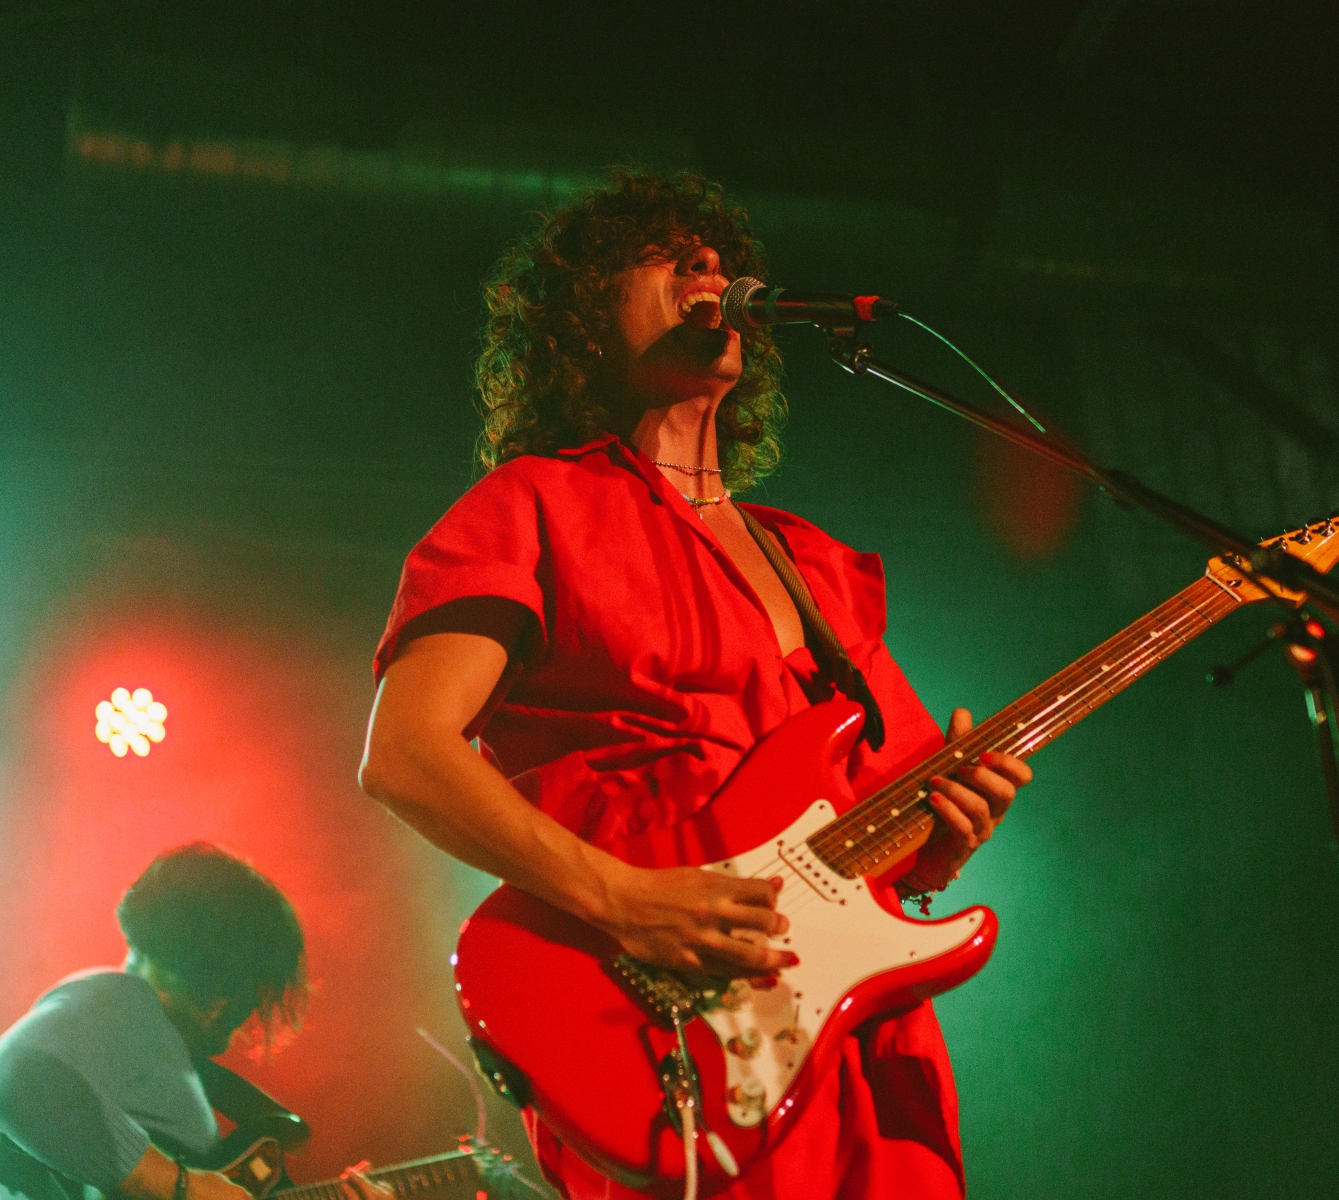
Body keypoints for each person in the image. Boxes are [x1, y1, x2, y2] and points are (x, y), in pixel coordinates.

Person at [358, 169, 1034, 1200]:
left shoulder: (814, 565)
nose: (708, 264)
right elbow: (405, 753)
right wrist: (624, 900)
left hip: (845, 1037)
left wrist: (940, 843)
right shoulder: (534, 504)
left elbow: (878, 838)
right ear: (583, 326)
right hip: (656, 1020)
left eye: (713, 254)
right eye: (663, 256)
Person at [0, 843, 389, 1200]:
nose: (247, 1009)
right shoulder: (124, 1000)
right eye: (247, 984)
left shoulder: (146, 1036)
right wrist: (182, 1186)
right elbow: (12, 1073)